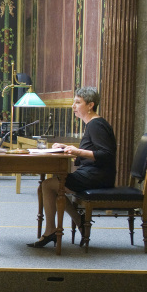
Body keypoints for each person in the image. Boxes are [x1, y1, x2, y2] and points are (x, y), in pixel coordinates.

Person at [28, 87, 117, 248]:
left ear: (90, 105)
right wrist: (68, 148)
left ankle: (52, 230)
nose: (73, 106)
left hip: (98, 176)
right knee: (50, 186)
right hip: (92, 172)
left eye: (77, 102)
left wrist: (77, 151)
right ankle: (75, 222)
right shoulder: (93, 124)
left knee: (47, 186)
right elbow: (92, 152)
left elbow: (106, 154)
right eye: (73, 102)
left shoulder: (96, 125)